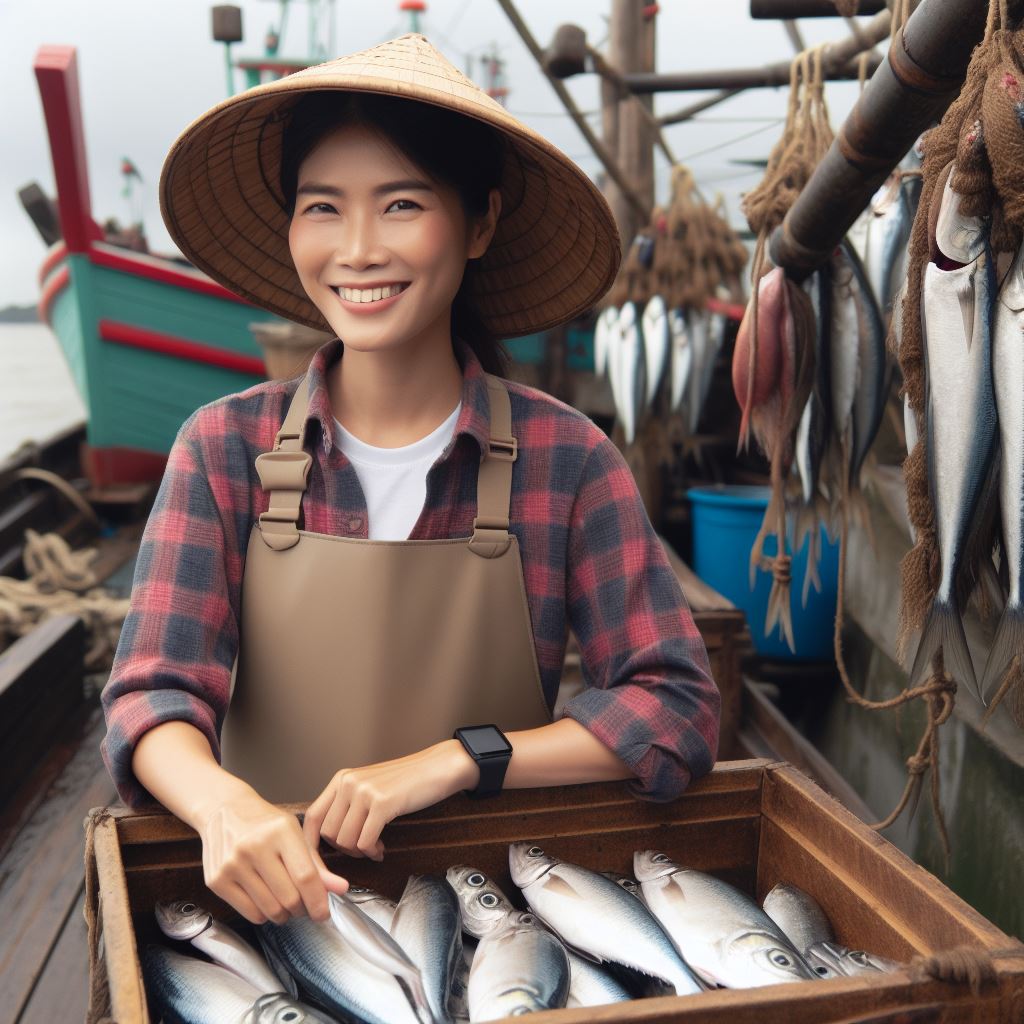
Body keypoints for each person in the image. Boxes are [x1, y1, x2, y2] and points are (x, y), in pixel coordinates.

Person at [100, 34, 719, 931]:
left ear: (478, 223)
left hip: (488, 914)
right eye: (322, 207)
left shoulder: (569, 458)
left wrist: (462, 758)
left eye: (400, 204)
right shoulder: (222, 448)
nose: (356, 249)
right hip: (271, 911)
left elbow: (675, 705)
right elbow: (150, 695)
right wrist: (219, 805)